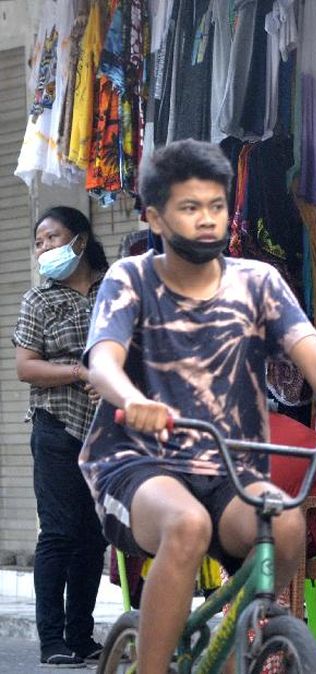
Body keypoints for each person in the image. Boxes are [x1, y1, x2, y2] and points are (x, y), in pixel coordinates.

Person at [81, 139, 316, 674]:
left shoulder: (257, 282)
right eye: (190, 208)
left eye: (217, 206)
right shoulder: (131, 279)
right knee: (186, 526)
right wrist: (134, 400)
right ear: (155, 218)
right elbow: (103, 361)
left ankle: (240, 644)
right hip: (136, 461)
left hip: (226, 461)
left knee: (282, 526)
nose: (207, 221)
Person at [12, 206, 110, 667]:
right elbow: (25, 367)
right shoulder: (39, 299)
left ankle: (82, 635)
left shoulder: (115, 288)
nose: (44, 248)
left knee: (93, 536)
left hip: (111, 430)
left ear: (81, 240)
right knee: (59, 533)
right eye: (38, 242)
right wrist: (77, 371)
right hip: (56, 426)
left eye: (52, 238)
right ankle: (52, 639)